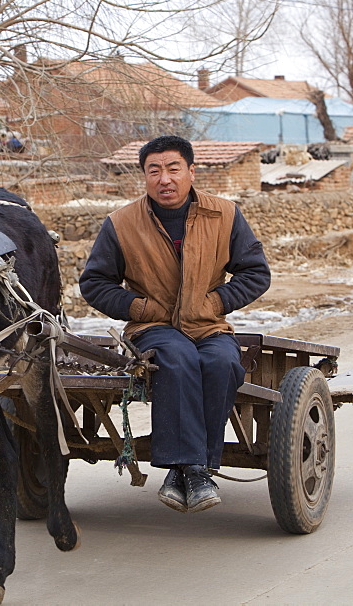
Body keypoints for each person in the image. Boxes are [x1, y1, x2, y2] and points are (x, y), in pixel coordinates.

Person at [79, 135, 271, 513]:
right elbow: (94, 283)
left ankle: (190, 469)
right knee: (177, 357)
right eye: (154, 171)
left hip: (208, 325)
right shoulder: (121, 223)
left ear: (191, 171)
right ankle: (194, 471)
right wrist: (139, 307)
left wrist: (216, 302)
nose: (164, 179)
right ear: (144, 177)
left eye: (173, 169)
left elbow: (255, 272)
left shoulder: (224, 214)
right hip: (152, 328)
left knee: (223, 363)